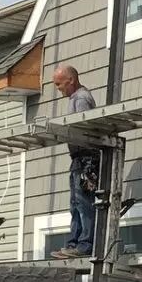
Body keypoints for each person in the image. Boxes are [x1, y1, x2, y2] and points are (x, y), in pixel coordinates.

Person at [49, 64, 100, 259]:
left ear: (71, 80)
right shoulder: (75, 98)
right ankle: (74, 242)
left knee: (83, 202)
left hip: (86, 158)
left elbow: (83, 127)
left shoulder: (80, 99)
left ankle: (84, 244)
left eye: (59, 84)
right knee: (75, 203)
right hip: (79, 158)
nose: (58, 88)